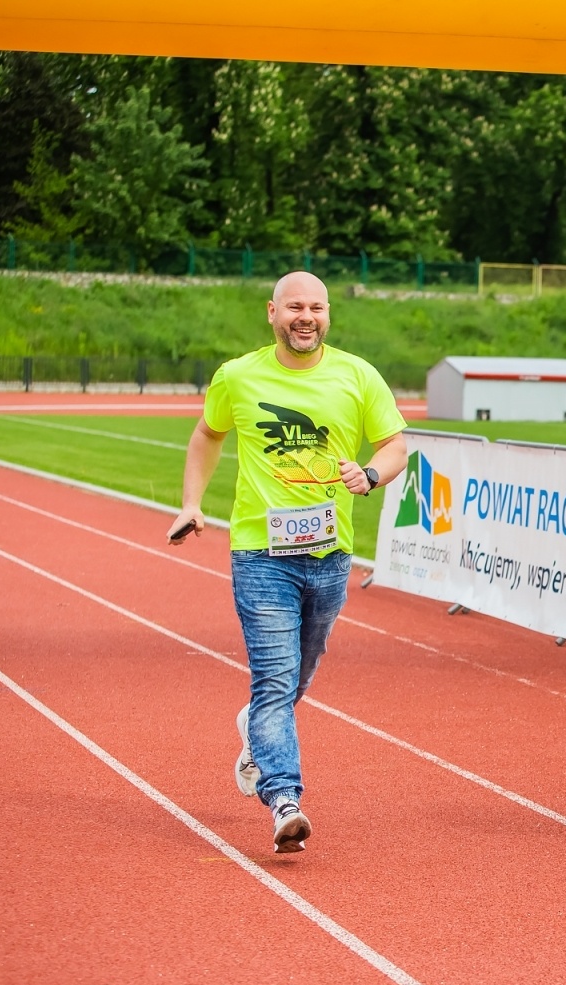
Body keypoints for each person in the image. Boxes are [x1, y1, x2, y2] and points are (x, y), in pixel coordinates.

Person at [168, 271, 407, 853]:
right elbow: (207, 434)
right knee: (274, 681)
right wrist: (191, 505)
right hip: (261, 555)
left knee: (300, 673)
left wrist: (371, 473)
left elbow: (396, 444)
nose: (307, 316)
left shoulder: (357, 374)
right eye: (295, 306)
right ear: (272, 312)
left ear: (328, 315)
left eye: (317, 307)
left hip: (330, 556)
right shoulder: (239, 376)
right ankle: (284, 799)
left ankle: (255, 731)